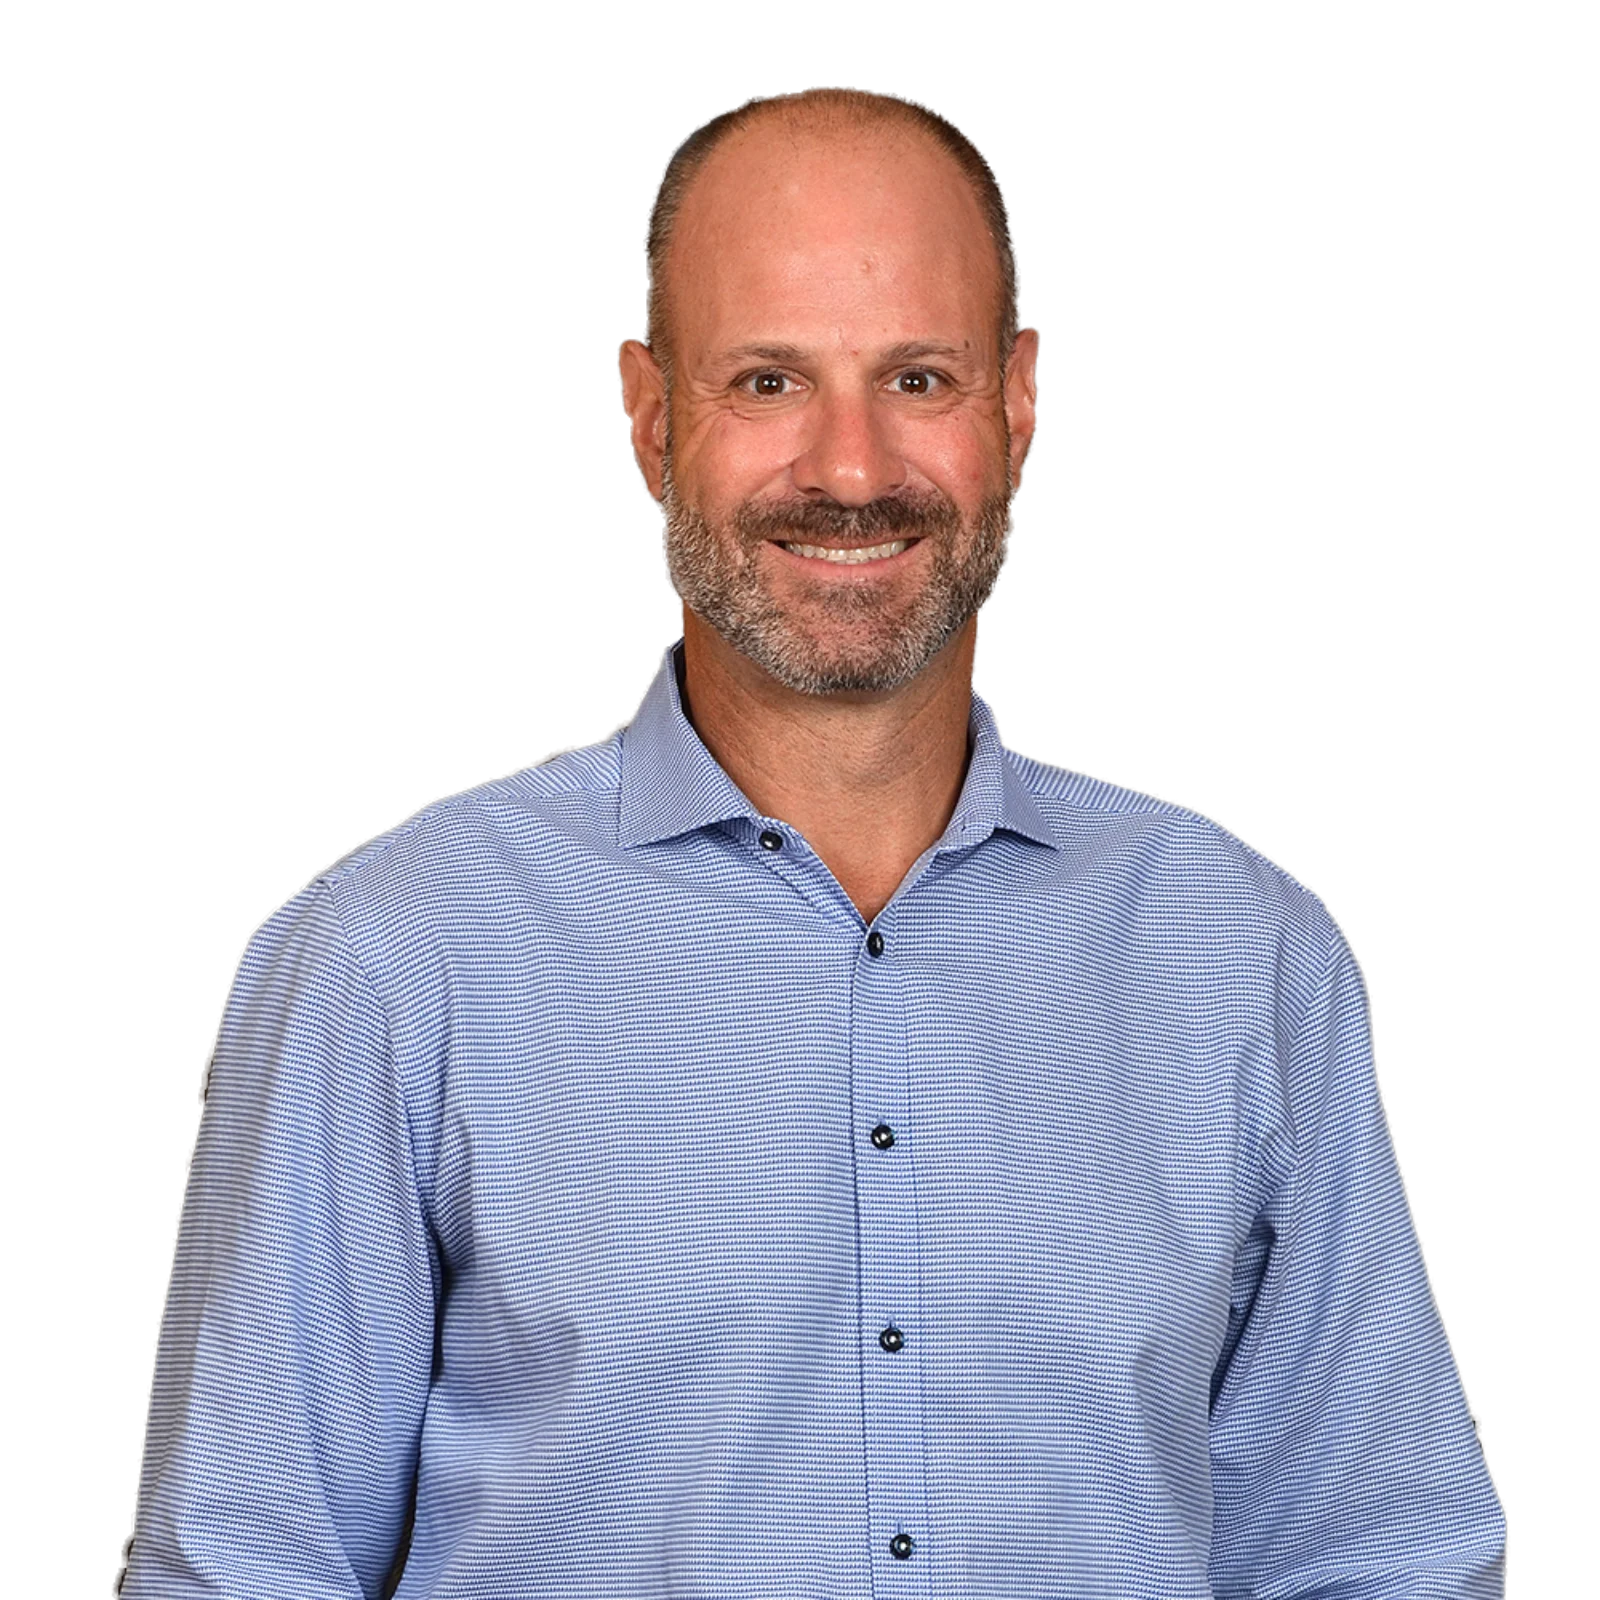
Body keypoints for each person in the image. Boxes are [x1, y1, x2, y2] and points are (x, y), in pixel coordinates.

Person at [118, 87, 1507, 1597]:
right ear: (650, 417)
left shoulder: (1245, 958)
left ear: (1019, 401)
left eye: (917, 376)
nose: (850, 472)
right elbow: (243, 1574)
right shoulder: (391, 959)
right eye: (768, 382)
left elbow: (1378, 1563)